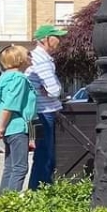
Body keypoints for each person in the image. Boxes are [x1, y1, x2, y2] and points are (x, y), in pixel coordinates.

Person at [0, 45, 37, 194]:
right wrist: (1, 128)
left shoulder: (3, 78)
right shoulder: (20, 79)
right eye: (28, 54)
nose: (31, 56)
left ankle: (3, 202)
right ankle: (12, 204)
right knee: (20, 168)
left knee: (9, 167)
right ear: (19, 59)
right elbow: (11, 105)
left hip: (9, 129)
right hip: (18, 128)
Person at [26, 24, 66, 190]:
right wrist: (55, 91)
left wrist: (50, 90)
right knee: (45, 156)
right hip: (43, 114)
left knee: (41, 155)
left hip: (36, 113)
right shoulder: (41, 60)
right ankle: (39, 192)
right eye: (56, 37)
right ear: (45, 40)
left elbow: (51, 89)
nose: (60, 40)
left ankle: (37, 191)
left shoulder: (37, 57)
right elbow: (55, 90)